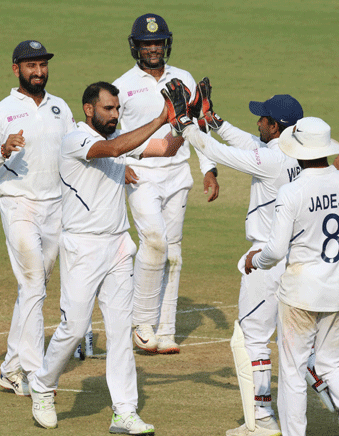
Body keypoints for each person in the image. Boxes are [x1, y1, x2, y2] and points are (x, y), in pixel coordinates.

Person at [27, 81, 186, 435]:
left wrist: (186, 122)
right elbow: (113, 148)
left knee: (118, 331)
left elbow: (166, 149)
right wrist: (163, 115)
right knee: (75, 327)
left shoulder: (118, 140)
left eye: (117, 109)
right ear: (89, 109)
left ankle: (124, 411)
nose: (115, 115)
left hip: (116, 246)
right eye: (108, 109)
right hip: (82, 248)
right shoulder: (76, 139)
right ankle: (42, 384)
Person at [243, 117, 339, 436]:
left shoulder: (292, 190)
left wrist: (255, 260)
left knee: (291, 373)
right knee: (333, 363)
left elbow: (275, 251)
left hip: (300, 293)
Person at [177, 87, 303, 436]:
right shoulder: (299, 153)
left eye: (262, 118)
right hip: (297, 257)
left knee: (253, 338)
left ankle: (262, 416)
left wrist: (185, 124)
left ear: (275, 126)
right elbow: (251, 145)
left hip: (266, 259)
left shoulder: (272, 161)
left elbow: (221, 153)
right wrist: (214, 121)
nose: (258, 122)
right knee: (301, 344)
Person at [0, 40, 75, 396]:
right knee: (33, 285)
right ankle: (35, 372)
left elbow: (76, 152)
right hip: (19, 205)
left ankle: (10, 368)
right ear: (17, 69)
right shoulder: (1, 111)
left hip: (56, 207)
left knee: (34, 289)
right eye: (31, 66)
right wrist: (2, 149)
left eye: (43, 65)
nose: (39, 72)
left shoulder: (61, 108)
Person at [113, 13, 220, 354]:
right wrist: (119, 165)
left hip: (178, 173)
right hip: (141, 172)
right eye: (147, 44)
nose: (154, 49)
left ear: (166, 44)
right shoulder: (122, 85)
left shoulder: (184, 78)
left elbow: (197, 124)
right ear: (136, 48)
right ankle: (141, 323)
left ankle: (166, 330)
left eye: (158, 43)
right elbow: (110, 132)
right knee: (155, 241)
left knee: (173, 253)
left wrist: (209, 168)